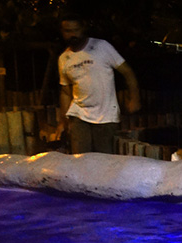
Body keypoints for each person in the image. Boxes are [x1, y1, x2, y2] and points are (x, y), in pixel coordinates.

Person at [56, 12, 141, 154]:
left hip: (106, 115)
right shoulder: (64, 58)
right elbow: (65, 92)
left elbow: (127, 72)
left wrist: (135, 99)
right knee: (80, 160)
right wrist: (63, 122)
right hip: (79, 115)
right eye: (68, 31)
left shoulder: (102, 47)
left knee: (104, 162)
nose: (72, 35)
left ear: (83, 28)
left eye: (76, 30)